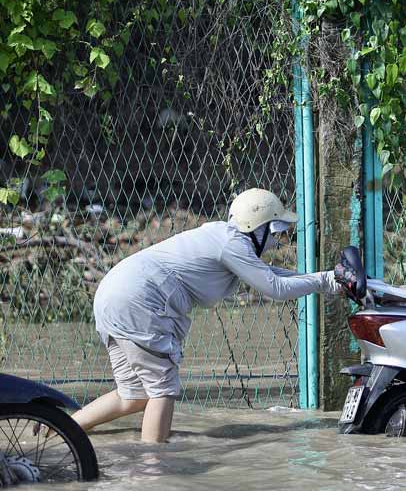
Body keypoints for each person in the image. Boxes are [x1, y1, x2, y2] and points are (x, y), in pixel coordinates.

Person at [72, 188, 340, 442]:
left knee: (132, 396)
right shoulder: (231, 245)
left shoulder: (224, 238)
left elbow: (271, 277)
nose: (277, 240)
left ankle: (62, 429)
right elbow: (276, 288)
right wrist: (325, 281)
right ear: (257, 228)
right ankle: (152, 466)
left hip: (112, 294)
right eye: (275, 230)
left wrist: (328, 279)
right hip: (140, 300)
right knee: (162, 388)